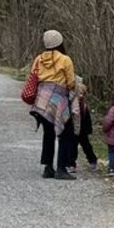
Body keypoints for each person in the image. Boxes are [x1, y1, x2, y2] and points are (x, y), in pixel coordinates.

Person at [28, 29, 76, 180]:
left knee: (48, 133)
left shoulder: (39, 59)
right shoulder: (65, 60)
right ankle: (61, 168)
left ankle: (48, 167)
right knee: (65, 133)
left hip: (42, 100)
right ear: (60, 42)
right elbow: (71, 82)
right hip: (58, 99)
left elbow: (33, 76)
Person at [66, 76, 98, 172]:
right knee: (72, 147)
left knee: (87, 146)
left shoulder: (84, 105)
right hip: (74, 128)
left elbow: (87, 118)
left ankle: (92, 161)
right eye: (79, 93)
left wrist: (89, 129)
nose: (80, 95)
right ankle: (71, 163)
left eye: (82, 93)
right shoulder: (72, 104)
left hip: (83, 130)